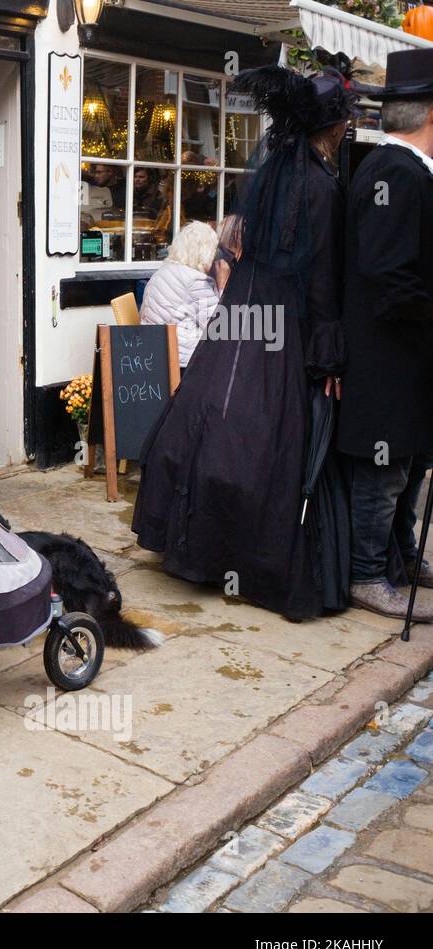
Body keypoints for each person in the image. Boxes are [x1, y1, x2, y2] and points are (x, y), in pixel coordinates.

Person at [132, 66, 356, 622]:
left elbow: (239, 249)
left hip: (244, 314)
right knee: (268, 434)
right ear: (331, 126)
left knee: (223, 414)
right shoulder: (323, 187)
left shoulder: (270, 178)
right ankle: (245, 559)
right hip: (286, 321)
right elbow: (323, 277)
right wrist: (329, 353)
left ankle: (201, 552)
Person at [337, 49, 433, 620]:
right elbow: (387, 271)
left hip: (407, 358)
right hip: (387, 359)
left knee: (412, 460)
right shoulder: (394, 172)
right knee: (387, 468)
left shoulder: (402, 170)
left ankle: (399, 557)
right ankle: (367, 574)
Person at [139, 221, 220, 370]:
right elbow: (220, 328)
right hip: (181, 363)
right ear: (205, 252)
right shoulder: (195, 281)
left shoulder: (164, 271)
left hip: (152, 355)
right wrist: (222, 283)